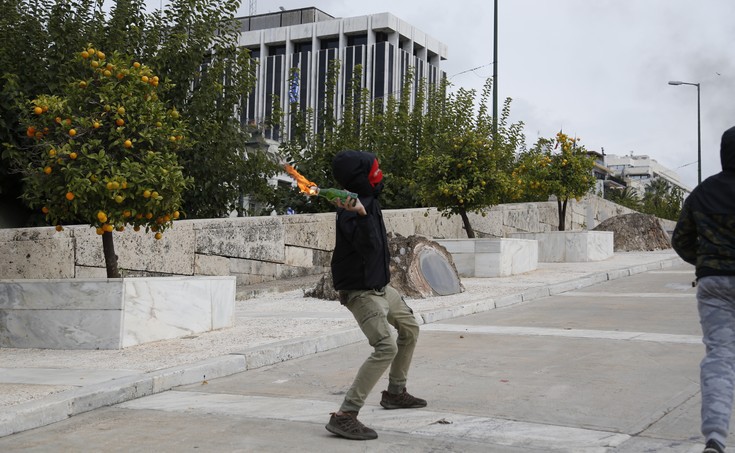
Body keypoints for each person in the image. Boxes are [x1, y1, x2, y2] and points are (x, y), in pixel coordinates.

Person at [324, 150, 426, 440]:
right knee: (385, 346)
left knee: (409, 328)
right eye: (374, 170)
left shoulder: (368, 201)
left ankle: (395, 393)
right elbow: (368, 247)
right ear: (360, 176)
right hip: (360, 292)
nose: (379, 174)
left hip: (381, 287)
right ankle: (345, 415)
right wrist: (361, 214)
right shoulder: (350, 211)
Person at [672, 125, 735, 453]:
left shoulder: (702, 192)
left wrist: (707, 262)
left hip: (713, 285)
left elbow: (680, 239)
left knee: (721, 357)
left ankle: (715, 439)